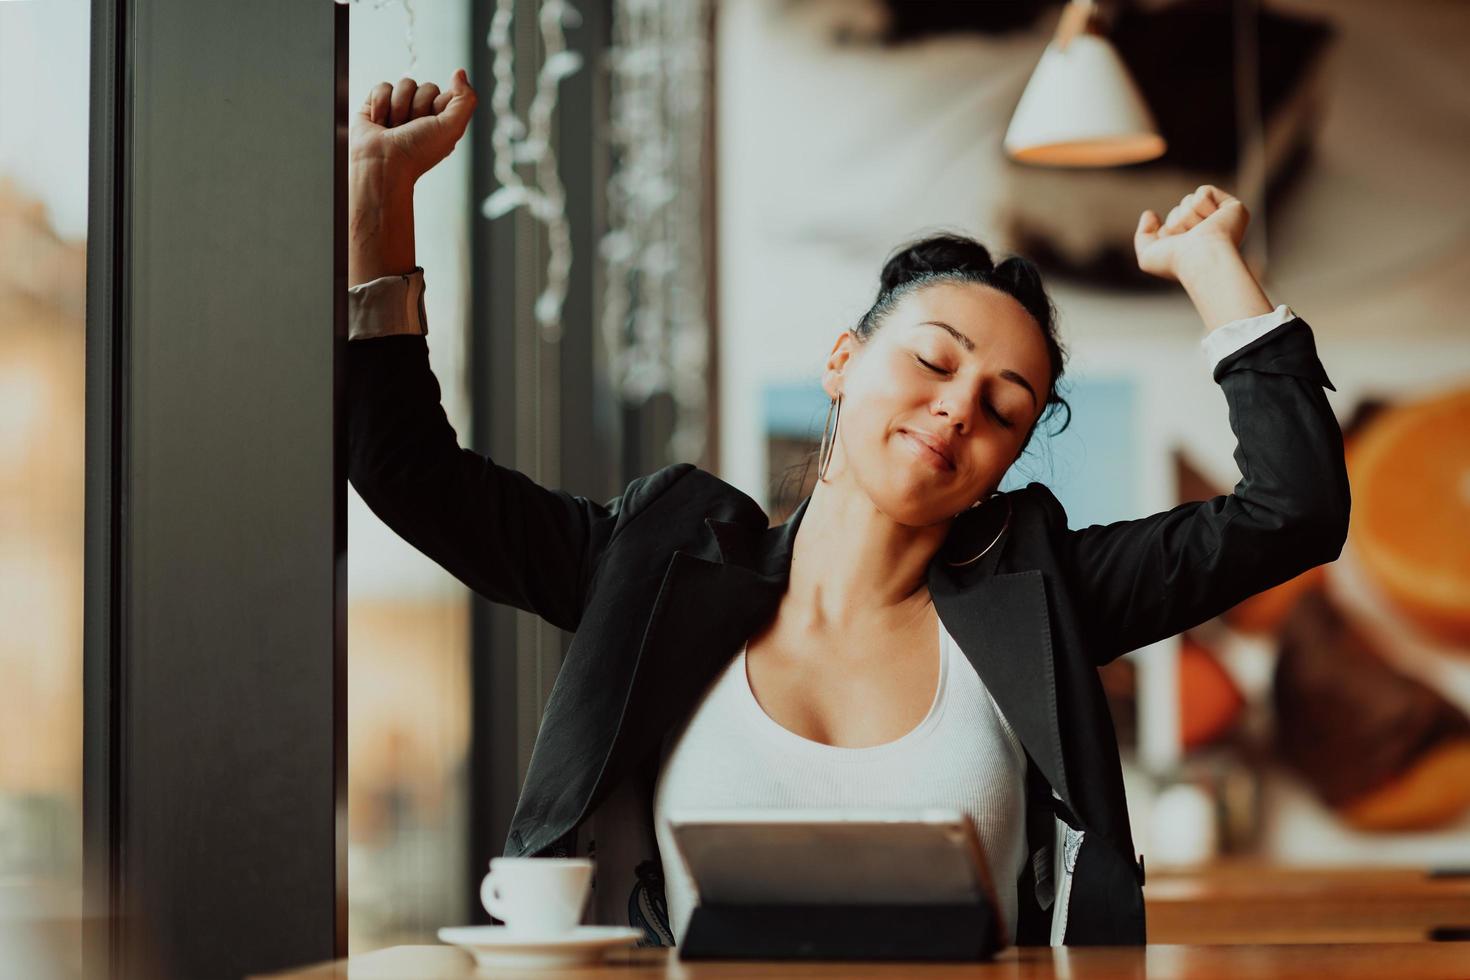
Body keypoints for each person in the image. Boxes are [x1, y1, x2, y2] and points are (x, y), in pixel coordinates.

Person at [346, 71, 1350, 947]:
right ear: (842, 361)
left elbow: (1294, 507)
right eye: (933, 358)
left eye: (1004, 407)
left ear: (1004, 458)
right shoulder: (652, 560)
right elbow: (409, 473)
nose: (960, 406)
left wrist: (1214, 265)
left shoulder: (1045, 592)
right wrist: (379, 200)